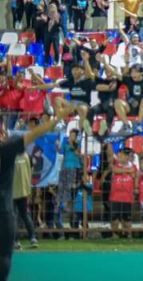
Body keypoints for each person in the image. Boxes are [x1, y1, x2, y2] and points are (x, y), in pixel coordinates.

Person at [1, 107, 70, 281]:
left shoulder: (7, 148)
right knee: (4, 260)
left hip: (5, 214)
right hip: (4, 214)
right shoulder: (7, 148)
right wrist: (55, 120)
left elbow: (32, 134)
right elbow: (34, 134)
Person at [12, 150, 37, 249]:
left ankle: (16, 241)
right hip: (24, 191)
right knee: (25, 215)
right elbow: (31, 170)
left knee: (15, 217)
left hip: (13, 192)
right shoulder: (27, 155)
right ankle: (32, 238)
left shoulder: (9, 156)